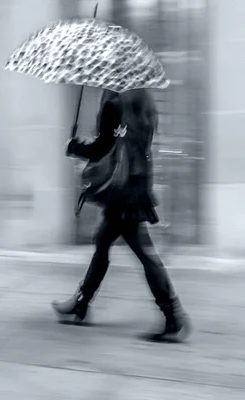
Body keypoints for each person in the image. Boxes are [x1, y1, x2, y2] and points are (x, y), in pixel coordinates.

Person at [52, 88, 191, 343]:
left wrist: (75, 147)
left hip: (123, 191)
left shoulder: (115, 103)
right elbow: (128, 143)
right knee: (103, 241)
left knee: (142, 251)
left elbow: (104, 147)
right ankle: (81, 303)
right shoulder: (144, 101)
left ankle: (173, 316)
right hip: (136, 185)